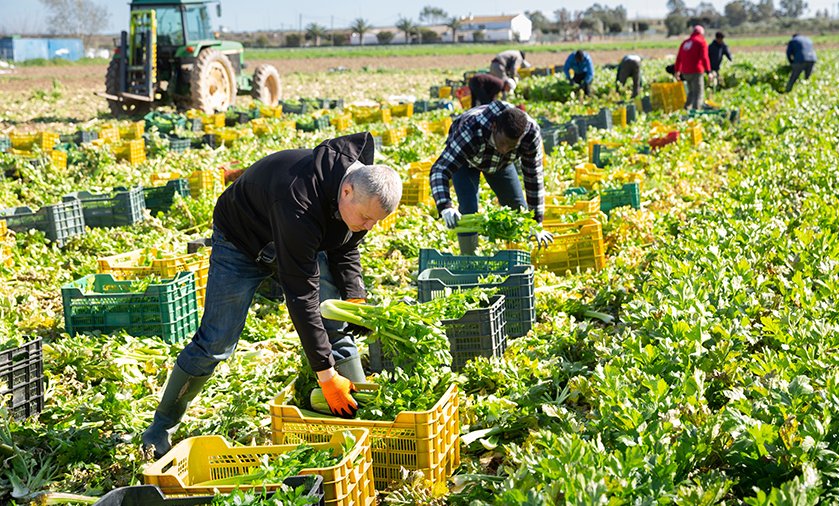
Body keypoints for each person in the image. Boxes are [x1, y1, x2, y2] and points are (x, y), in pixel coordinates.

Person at [141, 132, 402, 458]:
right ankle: (161, 426)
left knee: (336, 323)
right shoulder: (298, 200)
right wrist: (325, 374)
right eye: (365, 218)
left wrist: (354, 296)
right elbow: (301, 293)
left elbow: (345, 248)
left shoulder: (357, 195)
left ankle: (361, 421)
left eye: (375, 221)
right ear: (346, 191)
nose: (368, 227)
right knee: (215, 343)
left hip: (300, 241)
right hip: (242, 242)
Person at [430, 102, 554, 255]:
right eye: (502, 143)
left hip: (500, 164)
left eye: (511, 146)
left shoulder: (530, 135)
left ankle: (518, 255)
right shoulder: (471, 130)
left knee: (519, 208)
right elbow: (440, 169)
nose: (504, 149)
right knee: (469, 210)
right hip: (467, 162)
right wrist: (445, 206)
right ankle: (469, 259)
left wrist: (536, 222)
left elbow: (534, 176)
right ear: (494, 127)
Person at [674, 25, 711, 110]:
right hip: (696, 71)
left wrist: (677, 71)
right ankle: (696, 111)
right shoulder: (701, 42)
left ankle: (686, 108)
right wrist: (709, 71)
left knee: (691, 92)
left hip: (685, 72)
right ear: (701, 33)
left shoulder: (685, 42)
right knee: (698, 93)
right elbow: (704, 57)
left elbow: (679, 57)